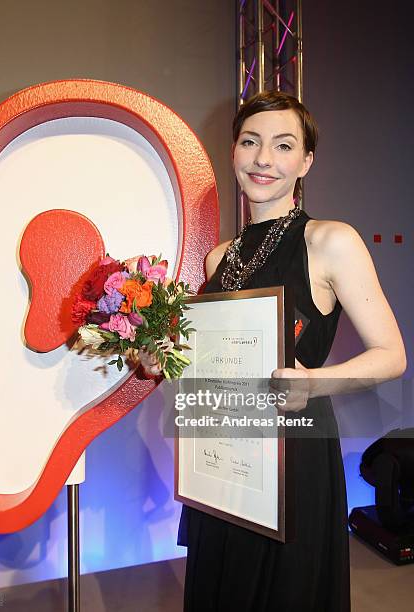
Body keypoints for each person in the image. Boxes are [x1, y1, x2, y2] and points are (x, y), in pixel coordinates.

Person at [143, 90, 406, 611]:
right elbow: (213, 363)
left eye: (284, 145)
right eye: (250, 142)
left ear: (305, 161)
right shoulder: (221, 256)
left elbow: (392, 354)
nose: (264, 158)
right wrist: (163, 361)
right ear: (234, 152)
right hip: (221, 456)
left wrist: (315, 382)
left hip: (293, 455)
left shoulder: (331, 240)